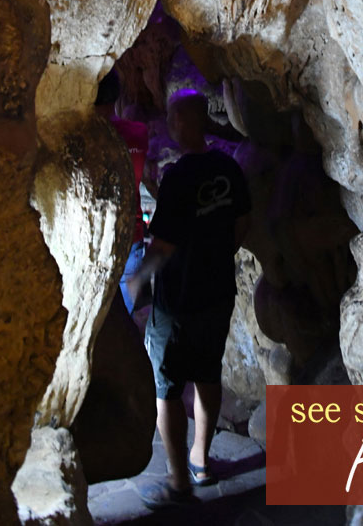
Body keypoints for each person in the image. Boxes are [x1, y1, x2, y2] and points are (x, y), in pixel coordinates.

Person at [128, 89, 250, 508]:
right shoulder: (228, 168)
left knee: (167, 386)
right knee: (208, 374)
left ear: (181, 122)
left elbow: (163, 244)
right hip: (217, 291)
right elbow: (242, 222)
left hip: (177, 300)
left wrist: (137, 280)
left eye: (171, 118)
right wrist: (216, 253)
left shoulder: (178, 177)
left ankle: (179, 480)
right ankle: (201, 460)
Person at [94, 69, 150, 314]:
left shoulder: (88, 138)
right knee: (124, 314)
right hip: (131, 237)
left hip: (98, 242)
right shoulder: (138, 132)